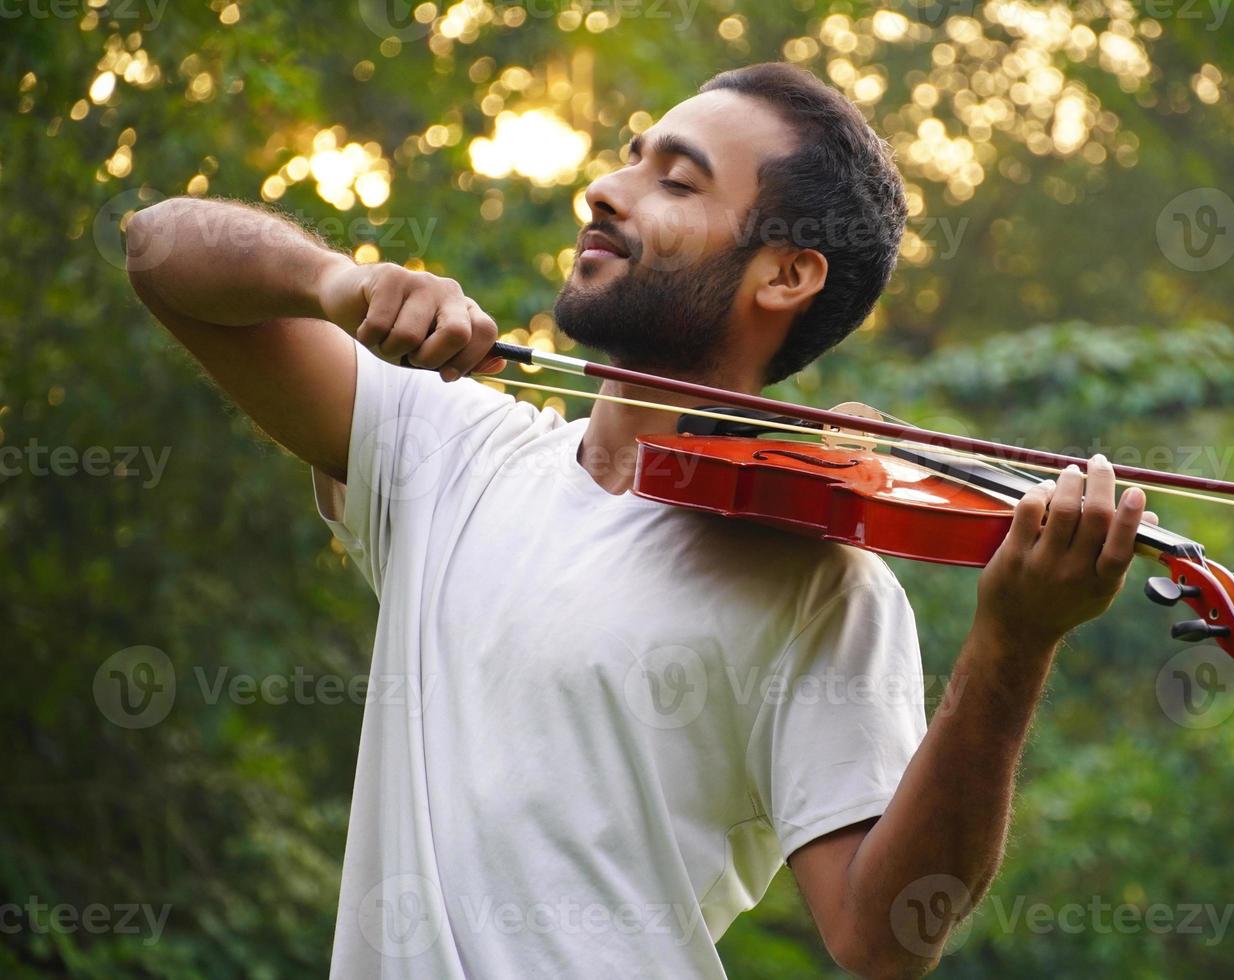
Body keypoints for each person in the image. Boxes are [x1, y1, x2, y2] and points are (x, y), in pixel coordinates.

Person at [126, 62, 1151, 980]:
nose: (608, 191)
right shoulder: (449, 449)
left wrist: (1014, 642)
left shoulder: (820, 584)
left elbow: (883, 938)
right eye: (629, 159)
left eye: (678, 179)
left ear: (787, 271)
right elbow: (161, 249)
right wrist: (335, 280)